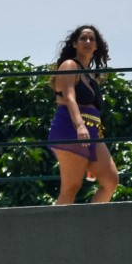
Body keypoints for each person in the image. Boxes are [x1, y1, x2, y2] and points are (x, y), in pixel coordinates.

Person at [47, 24, 118, 205]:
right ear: (74, 44)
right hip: (71, 129)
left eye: (92, 39)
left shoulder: (91, 75)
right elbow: (70, 97)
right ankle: (55, 232)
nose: (88, 42)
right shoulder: (69, 65)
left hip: (93, 133)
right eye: (83, 38)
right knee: (71, 188)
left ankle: (91, 227)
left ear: (96, 46)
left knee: (110, 181)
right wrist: (80, 126)